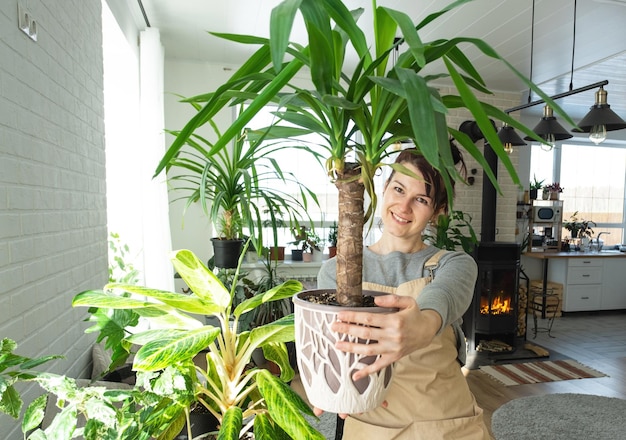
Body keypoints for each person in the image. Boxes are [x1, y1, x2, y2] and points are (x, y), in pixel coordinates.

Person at [316, 145, 490, 439]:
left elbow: (443, 297)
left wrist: (423, 323)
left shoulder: (455, 264)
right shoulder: (337, 272)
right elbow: (332, 349)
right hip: (371, 424)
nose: (404, 206)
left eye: (420, 199)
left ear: (438, 211)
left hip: (447, 423)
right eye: (398, 189)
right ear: (384, 188)